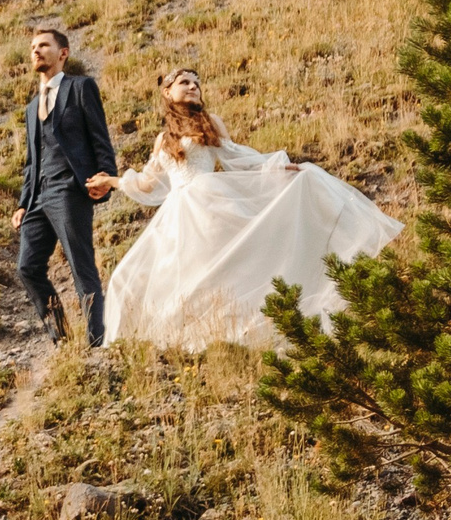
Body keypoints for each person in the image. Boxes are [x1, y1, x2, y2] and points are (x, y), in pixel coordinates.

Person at [91, 68, 402, 351]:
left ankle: (239, 334)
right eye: (184, 82)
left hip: (208, 204)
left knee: (220, 272)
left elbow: (236, 157)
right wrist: (111, 180)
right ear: (167, 92)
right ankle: (189, 340)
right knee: (133, 277)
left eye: (197, 83)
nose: (193, 87)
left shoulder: (209, 123)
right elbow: (148, 183)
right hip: (177, 214)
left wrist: (277, 166)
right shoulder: (163, 138)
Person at [12, 23, 119, 346]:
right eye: (33, 47)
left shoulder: (81, 87)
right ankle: (62, 338)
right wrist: (22, 202)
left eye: (43, 45)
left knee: (80, 265)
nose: (36, 51)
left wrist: (106, 176)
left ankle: (96, 341)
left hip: (70, 189)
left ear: (63, 53)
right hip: (37, 198)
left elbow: (100, 137)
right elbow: (33, 161)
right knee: (27, 268)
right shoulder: (32, 107)